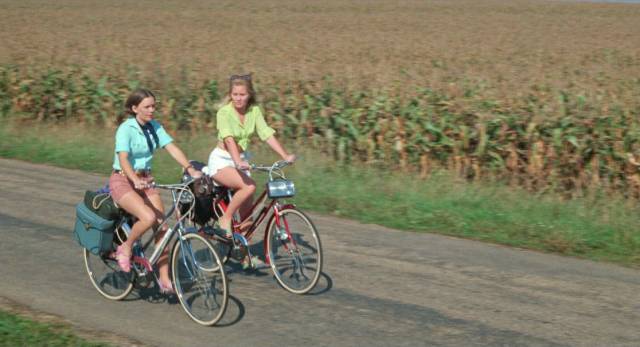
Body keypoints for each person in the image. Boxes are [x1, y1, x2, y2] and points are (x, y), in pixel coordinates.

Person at [110, 88, 202, 293]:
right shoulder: (126, 128)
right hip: (123, 180)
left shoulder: (154, 127)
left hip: (146, 181)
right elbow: (123, 158)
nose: (152, 110)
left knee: (162, 229)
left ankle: (164, 279)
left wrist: (190, 169)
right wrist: (134, 178)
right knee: (148, 217)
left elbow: (172, 148)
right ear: (135, 109)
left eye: (153, 106)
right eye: (147, 107)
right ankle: (125, 247)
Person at [208, 74, 295, 240]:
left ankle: (244, 253)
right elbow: (229, 139)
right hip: (222, 161)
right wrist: (238, 161)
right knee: (249, 187)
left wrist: (285, 155)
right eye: (235, 95)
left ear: (250, 95)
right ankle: (225, 218)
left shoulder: (254, 111)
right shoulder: (224, 113)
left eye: (242, 95)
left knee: (247, 213)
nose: (238, 99)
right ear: (230, 94)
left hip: (240, 160)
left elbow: (266, 134)